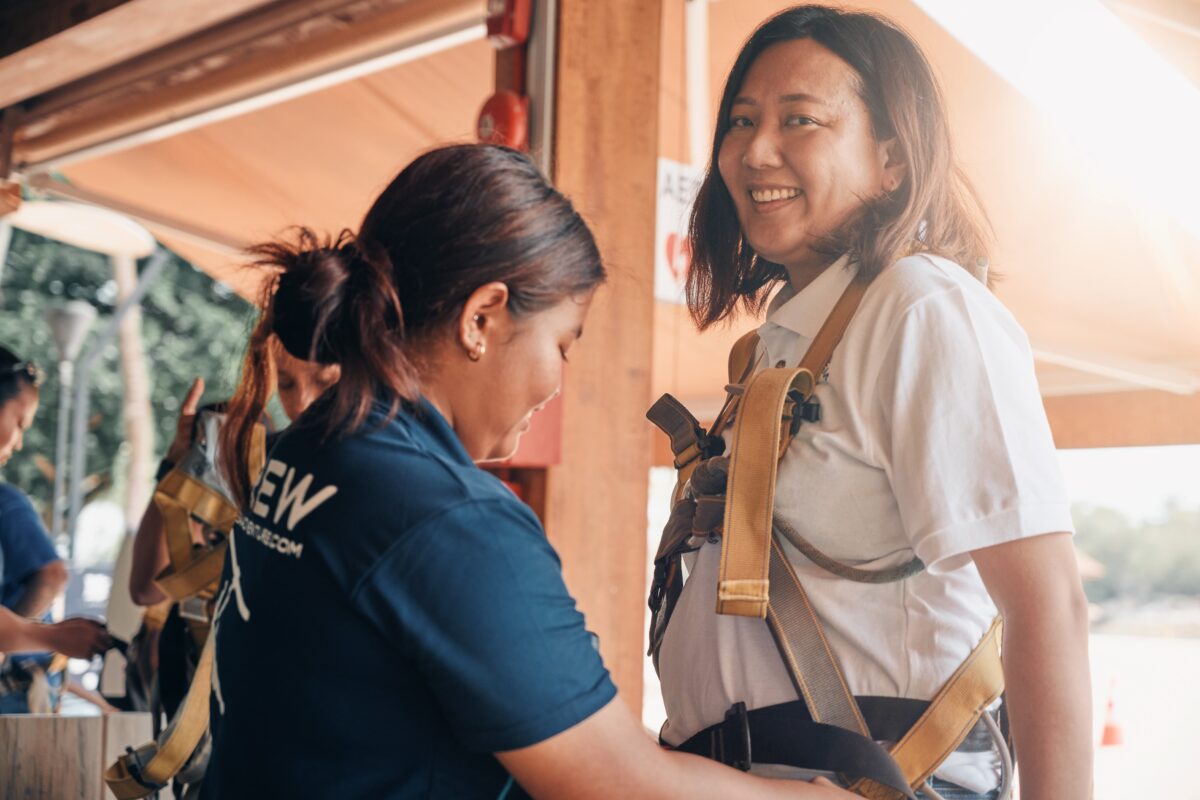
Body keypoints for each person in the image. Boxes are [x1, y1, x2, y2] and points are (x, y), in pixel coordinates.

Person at [200, 144, 853, 800]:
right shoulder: (450, 520)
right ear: (481, 318)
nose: (555, 384)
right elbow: (618, 786)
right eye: (561, 344)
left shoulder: (309, 447)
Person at [653, 7, 1091, 800]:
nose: (754, 150)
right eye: (741, 121)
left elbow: (1047, 604)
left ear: (891, 160)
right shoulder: (778, 345)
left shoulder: (922, 307)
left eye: (800, 120)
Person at [128, 341, 340, 607]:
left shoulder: (285, 513)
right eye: (208, 451)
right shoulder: (196, 522)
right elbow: (145, 591)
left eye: (245, 448)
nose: (301, 404)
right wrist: (174, 467)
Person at [1, 346, 112, 710]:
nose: (18, 442)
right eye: (18, 423)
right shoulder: (7, 500)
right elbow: (52, 574)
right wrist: (49, 636)